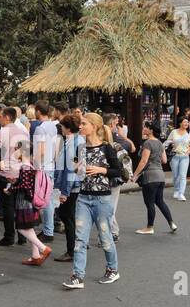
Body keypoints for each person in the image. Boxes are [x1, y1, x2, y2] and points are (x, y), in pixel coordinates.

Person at [63, 112, 122, 289]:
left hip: (102, 199)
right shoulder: (80, 148)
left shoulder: (106, 148)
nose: (80, 126)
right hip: (83, 197)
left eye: (83, 124)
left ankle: (113, 270)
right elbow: (75, 168)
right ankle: (77, 276)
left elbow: (118, 171)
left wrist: (101, 170)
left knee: (105, 237)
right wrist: (75, 167)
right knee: (80, 239)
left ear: (94, 127)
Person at [131, 119, 176, 235]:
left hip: (150, 176)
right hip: (160, 175)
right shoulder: (160, 143)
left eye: (145, 127)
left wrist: (134, 175)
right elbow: (164, 160)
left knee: (149, 203)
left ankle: (149, 227)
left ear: (150, 130)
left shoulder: (147, 143)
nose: (143, 129)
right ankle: (171, 223)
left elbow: (143, 161)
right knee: (160, 201)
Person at [0, 106, 29, 246]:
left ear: (7, 117)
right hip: (19, 172)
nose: (0, 119)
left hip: (5, 172)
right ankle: (23, 235)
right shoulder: (23, 132)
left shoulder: (1, 133)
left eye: (1, 116)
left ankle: (9, 236)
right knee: (19, 205)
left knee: (8, 207)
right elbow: (25, 154)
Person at [52, 114, 84, 262]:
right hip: (73, 184)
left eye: (63, 127)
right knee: (70, 216)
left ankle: (72, 250)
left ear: (68, 128)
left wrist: (64, 191)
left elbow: (71, 168)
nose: (61, 129)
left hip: (70, 185)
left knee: (67, 216)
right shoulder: (77, 140)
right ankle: (76, 246)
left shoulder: (72, 143)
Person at [31, 101, 60, 242]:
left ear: (38, 111)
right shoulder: (53, 127)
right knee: (48, 199)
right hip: (50, 165)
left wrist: (33, 164)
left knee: (44, 200)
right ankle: (48, 229)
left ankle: (48, 231)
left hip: (42, 167)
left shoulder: (40, 129)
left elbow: (40, 151)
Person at [164, 116, 190, 201]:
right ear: (180, 123)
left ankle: (181, 193)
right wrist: (171, 144)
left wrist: (188, 152)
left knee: (182, 176)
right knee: (175, 175)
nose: (186, 124)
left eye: (187, 122)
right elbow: (167, 142)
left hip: (184, 157)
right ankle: (176, 190)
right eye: (185, 122)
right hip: (175, 156)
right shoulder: (174, 132)